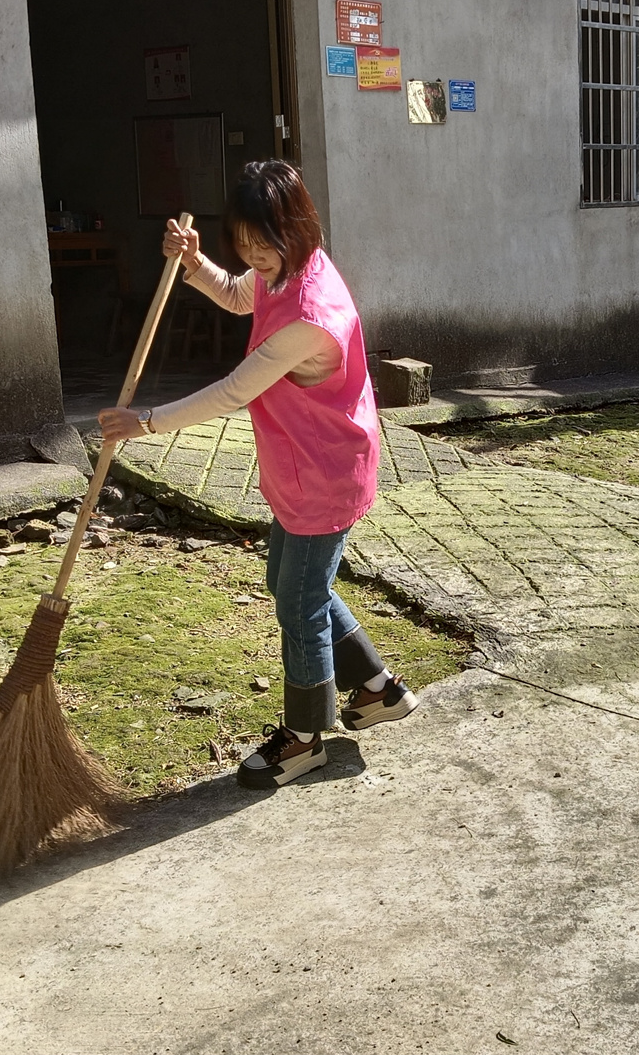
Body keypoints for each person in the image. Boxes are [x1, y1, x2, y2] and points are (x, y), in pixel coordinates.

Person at [98, 160, 417, 789]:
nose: (253, 257)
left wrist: (146, 422)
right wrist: (194, 264)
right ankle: (379, 688)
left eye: (262, 244)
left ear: (294, 226)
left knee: (299, 601)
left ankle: (303, 739)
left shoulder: (309, 311)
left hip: (323, 472)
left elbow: (235, 390)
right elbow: (242, 294)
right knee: (294, 582)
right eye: (243, 244)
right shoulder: (291, 269)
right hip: (305, 464)